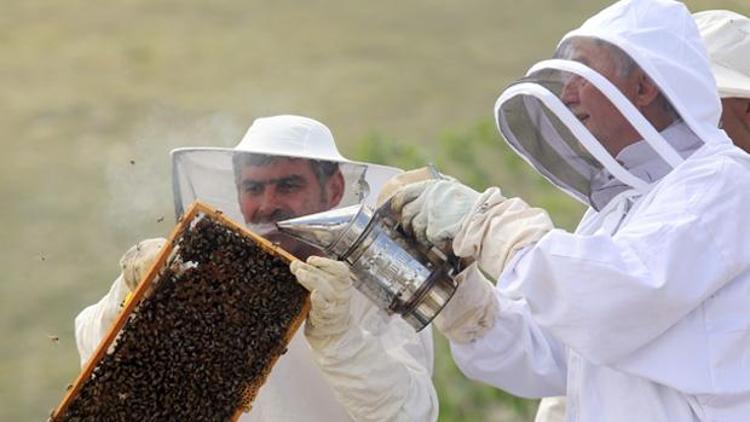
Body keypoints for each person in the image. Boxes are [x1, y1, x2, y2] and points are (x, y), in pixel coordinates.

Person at [387, 0, 750, 420]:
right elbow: (558, 356)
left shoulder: (725, 182)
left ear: (643, 87)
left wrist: (493, 225)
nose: (567, 94)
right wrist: (467, 306)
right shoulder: (619, 208)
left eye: (583, 74)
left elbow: (609, 299)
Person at [75, 115, 439, 421]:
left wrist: (340, 336)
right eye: (253, 188)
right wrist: (130, 292)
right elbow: (94, 347)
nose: (268, 204)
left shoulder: (377, 285)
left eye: (288, 185)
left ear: (334, 188)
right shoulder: (208, 276)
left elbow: (413, 412)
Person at [534, 9, 750, 421]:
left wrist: (516, 242)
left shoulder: (726, 187)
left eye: (707, 108)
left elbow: (615, 296)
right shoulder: (629, 205)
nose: (694, 124)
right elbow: (568, 347)